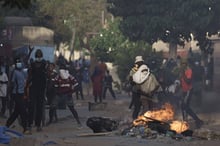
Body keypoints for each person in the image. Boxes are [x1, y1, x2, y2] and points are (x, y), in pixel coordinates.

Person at [5, 58, 30, 134]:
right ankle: (25, 128)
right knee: (23, 111)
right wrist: (9, 95)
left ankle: (7, 125)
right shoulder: (14, 72)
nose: (19, 64)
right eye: (17, 63)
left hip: (22, 94)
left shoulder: (23, 72)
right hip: (16, 94)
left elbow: (26, 61)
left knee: (16, 112)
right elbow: (11, 84)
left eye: (20, 62)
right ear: (15, 64)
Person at [26, 49, 47, 132]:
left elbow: (47, 75)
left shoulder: (44, 64)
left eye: (39, 56)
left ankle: (38, 125)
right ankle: (30, 124)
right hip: (33, 88)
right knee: (31, 107)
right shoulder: (32, 64)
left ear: (41, 56)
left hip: (41, 89)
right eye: (37, 56)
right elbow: (29, 75)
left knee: (39, 107)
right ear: (36, 56)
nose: (38, 57)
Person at [179, 58, 203, 128]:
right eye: (182, 64)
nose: (182, 65)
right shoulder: (182, 71)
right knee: (183, 106)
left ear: (186, 65)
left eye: (184, 64)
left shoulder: (189, 71)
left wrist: (183, 73)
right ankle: (185, 120)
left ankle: (198, 120)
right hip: (184, 91)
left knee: (185, 106)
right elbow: (182, 81)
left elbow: (188, 81)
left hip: (188, 90)